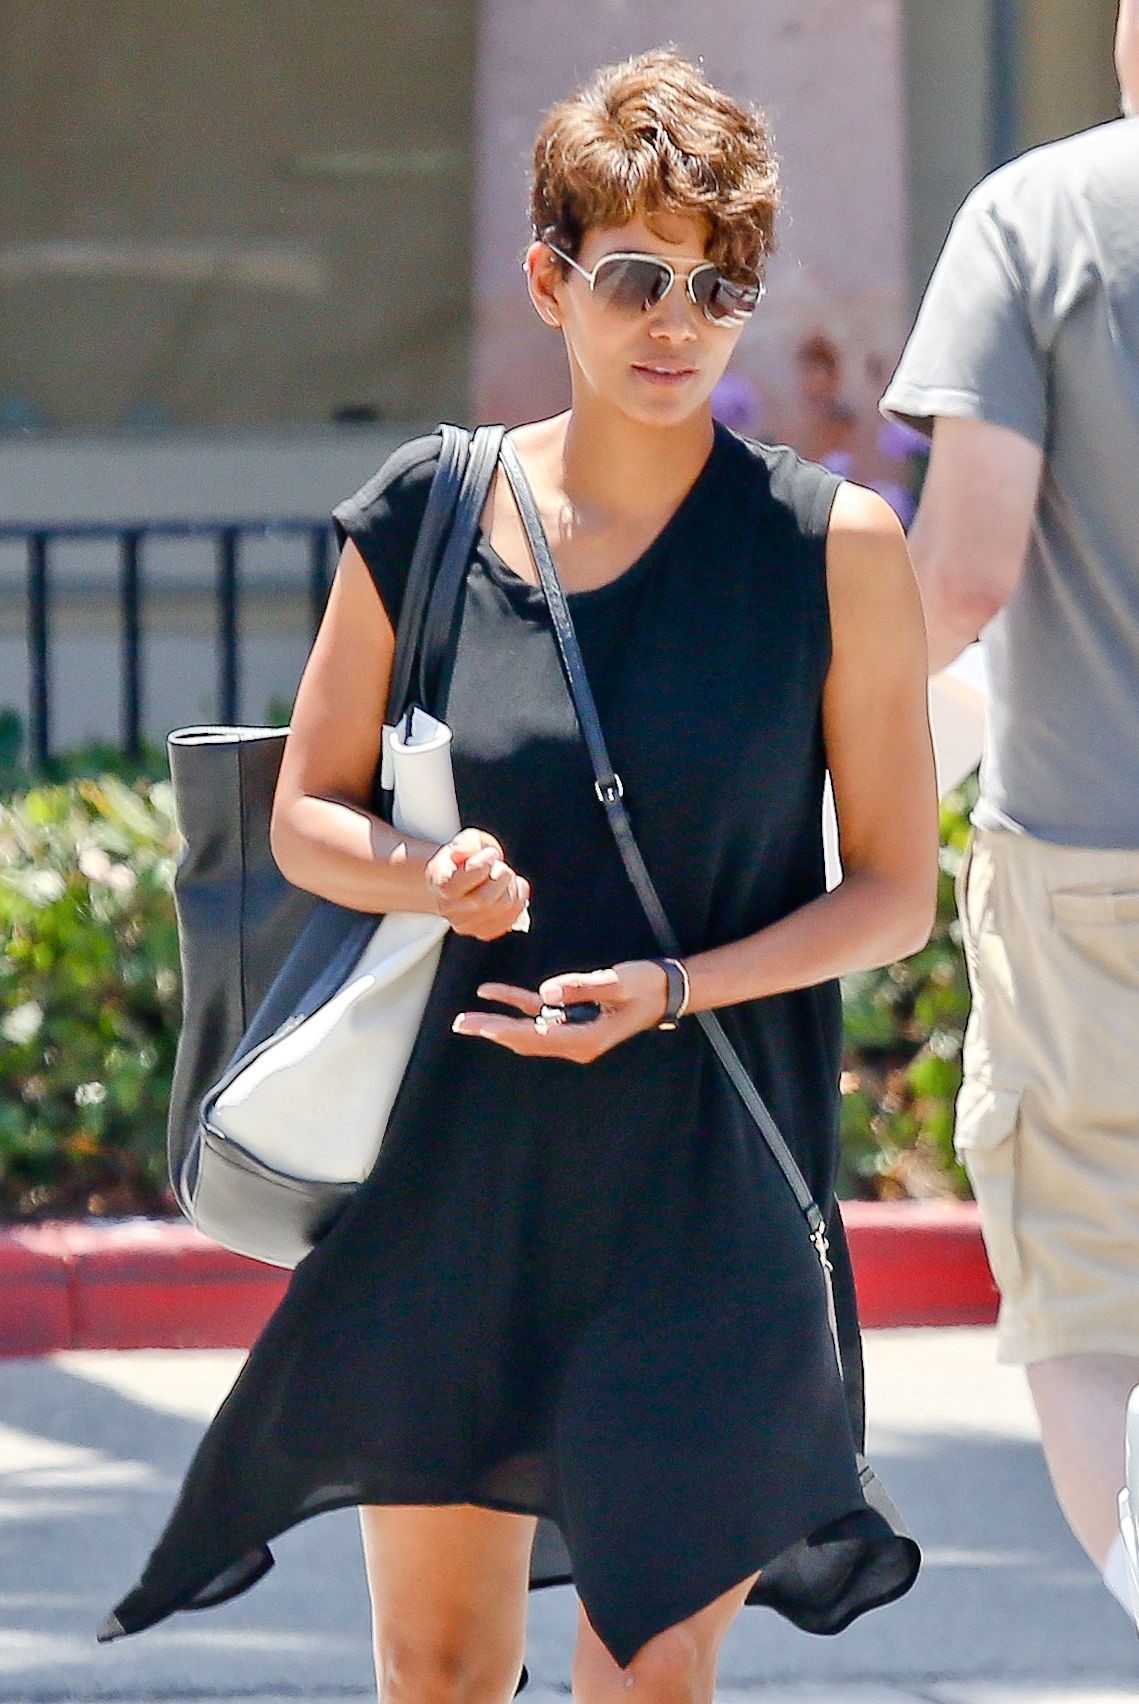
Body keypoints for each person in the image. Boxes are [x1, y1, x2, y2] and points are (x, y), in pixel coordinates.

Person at [100, 50, 936, 1700]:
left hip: (708, 1181)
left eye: (721, 284)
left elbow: (892, 890)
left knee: (647, 1675)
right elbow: (304, 813)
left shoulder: (830, 548)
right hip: (456, 1182)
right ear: (551, 277)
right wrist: (432, 875)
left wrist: (679, 987)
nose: (677, 322)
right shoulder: (430, 511)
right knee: (438, 1663)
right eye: (636, 276)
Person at [879, 0, 1139, 1620]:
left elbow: (966, 571)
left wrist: (828, 743)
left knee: (1095, 1307)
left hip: (1093, 872)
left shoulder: (1041, 219)